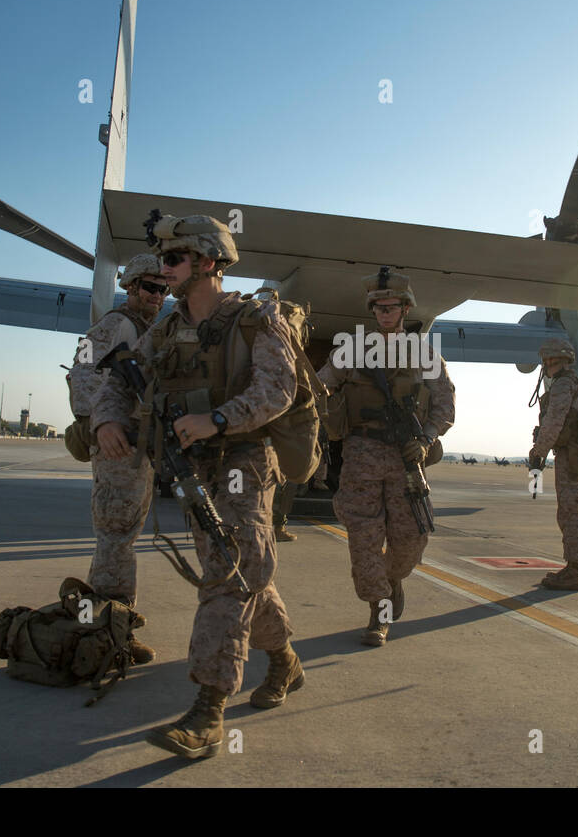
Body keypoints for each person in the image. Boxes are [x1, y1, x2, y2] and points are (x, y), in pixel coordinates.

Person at [91, 213, 302, 760]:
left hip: (243, 463)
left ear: (207, 261)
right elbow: (120, 378)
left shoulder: (253, 321)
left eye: (174, 259)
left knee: (228, 578)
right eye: (163, 260)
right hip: (191, 470)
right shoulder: (165, 327)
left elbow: (279, 389)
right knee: (243, 573)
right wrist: (106, 421)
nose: (164, 270)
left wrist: (221, 419)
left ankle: (209, 709)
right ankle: (283, 660)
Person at [317, 269, 455, 646]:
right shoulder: (352, 350)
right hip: (361, 454)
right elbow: (319, 386)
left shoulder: (424, 355)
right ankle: (379, 611)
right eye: (378, 307)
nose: (385, 313)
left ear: (406, 308)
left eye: (392, 307)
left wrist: (425, 441)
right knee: (363, 540)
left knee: (410, 539)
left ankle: (393, 580)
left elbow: (444, 406)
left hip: (406, 457)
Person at [66, 252, 168, 664]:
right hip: (116, 445)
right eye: (149, 288)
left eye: (163, 289)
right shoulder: (113, 325)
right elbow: (81, 374)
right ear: (130, 287)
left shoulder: (149, 329)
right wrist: (102, 424)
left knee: (122, 535)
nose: (157, 296)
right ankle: (112, 634)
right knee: (116, 537)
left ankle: (102, 626)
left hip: (136, 445)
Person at [528, 338, 578, 591]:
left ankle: (575, 570)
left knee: (571, 510)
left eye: (550, 360)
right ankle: (575, 566)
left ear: (560, 361)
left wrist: (538, 453)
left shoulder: (562, 387)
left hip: (572, 456)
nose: (547, 365)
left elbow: (554, 423)